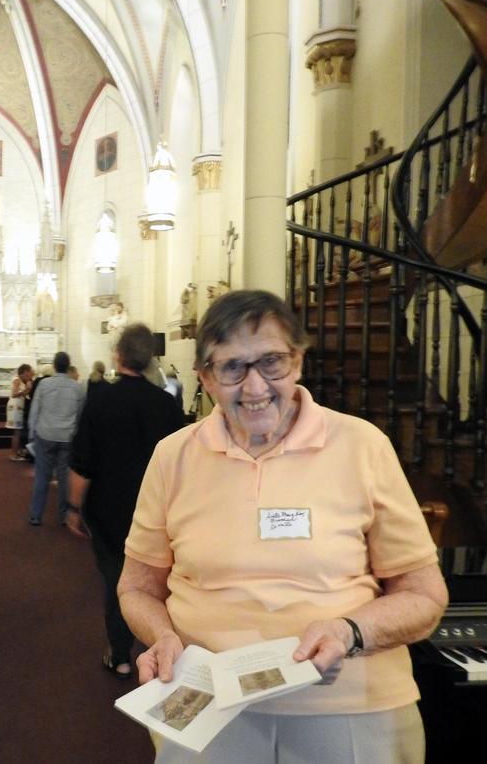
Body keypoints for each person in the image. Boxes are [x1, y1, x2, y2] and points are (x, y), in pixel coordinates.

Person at [117, 290, 448, 763]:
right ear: (206, 378)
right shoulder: (173, 456)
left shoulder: (361, 445)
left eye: (271, 362)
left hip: (349, 702)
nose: (255, 388)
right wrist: (163, 637)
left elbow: (425, 596)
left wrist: (350, 631)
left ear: (297, 361)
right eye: (232, 368)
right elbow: (137, 588)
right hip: (208, 702)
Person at [68, 324, 183, 680]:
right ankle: (162, 647)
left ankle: (120, 654)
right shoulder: (167, 404)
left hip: (108, 509)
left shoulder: (100, 399)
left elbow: (82, 461)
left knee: (120, 580)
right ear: (150, 357)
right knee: (162, 579)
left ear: (118, 356)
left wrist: (73, 507)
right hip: (160, 509)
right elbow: (183, 463)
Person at [27, 351, 84, 526]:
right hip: (67, 437)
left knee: (42, 477)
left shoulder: (44, 384)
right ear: (68, 366)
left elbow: (35, 410)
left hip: (45, 434)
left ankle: (36, 515)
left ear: (54, 365)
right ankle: (63, 516)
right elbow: (80, 414)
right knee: (64, 479)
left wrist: (31, 434)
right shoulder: (77, 387)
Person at [6, 363, 33, 461]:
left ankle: (16, 452)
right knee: (17, 432)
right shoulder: (17, 380)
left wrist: (27, 389)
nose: (31, 374)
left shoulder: (22, 380)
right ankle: (13, 455)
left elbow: (23, 394)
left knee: (18, 431)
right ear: (25, 372)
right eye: (30, 372)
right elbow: (14, 394)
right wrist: (27, 389)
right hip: (15, 407)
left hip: (18, 407)